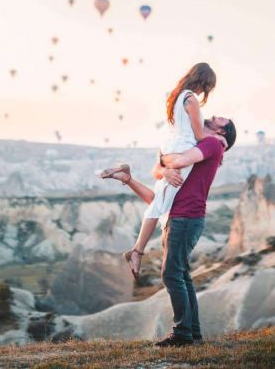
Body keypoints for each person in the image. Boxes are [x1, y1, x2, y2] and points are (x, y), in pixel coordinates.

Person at [102, 116, 236, 347]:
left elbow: (176, 161)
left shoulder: (212, 144)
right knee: (181, 275)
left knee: (171, 275)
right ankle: (192, 333)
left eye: (218, 119)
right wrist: (132, 179)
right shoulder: (201, 146)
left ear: (222, 133)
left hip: (186, 218)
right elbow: (157, 198)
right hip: (178, 218)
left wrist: (164, 161)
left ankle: (183, 334)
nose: (211, 116)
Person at [99, 63, 219, 280]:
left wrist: (164, 166)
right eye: (207, 87)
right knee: (159, 206)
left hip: (170, 146)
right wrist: (215, 143)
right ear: (204, 82)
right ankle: (137, 252)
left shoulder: (177, 97)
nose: (205, 92)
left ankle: (127, 178)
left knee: (161, 200)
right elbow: (200, 136)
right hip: (183, 149)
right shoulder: (191, 99)